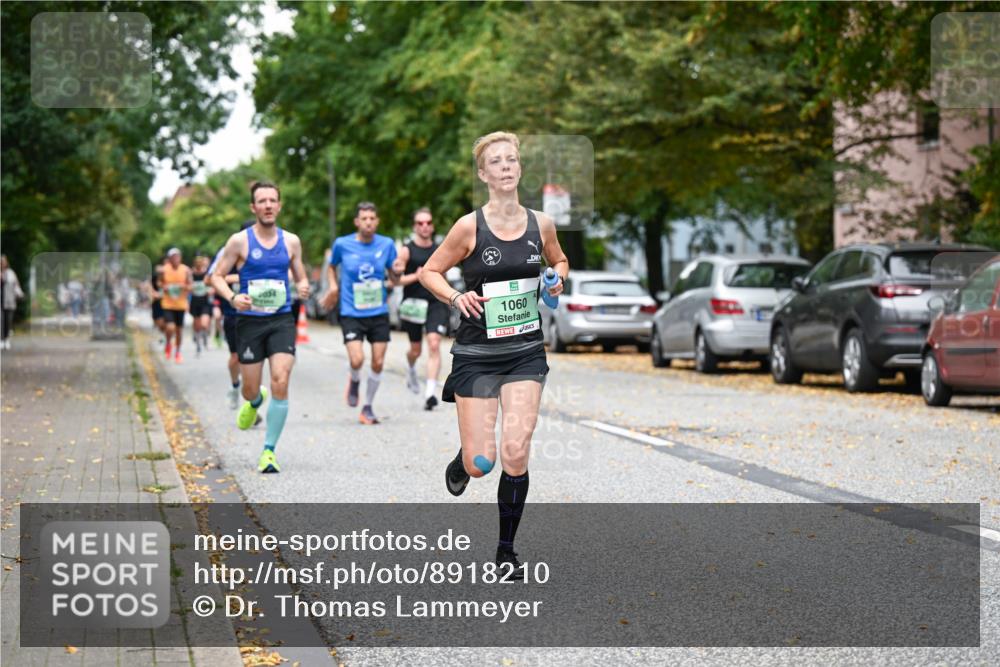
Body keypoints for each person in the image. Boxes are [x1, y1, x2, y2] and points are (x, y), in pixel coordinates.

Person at [419, 132, 568, 578]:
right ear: (484, 174)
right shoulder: (469, 227)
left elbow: (558, 261)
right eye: (496, 162)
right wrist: (454, 297)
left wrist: (555, 279)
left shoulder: (541, 224)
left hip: (524, 352)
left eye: (512, 160)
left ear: (519, 169)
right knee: (481, 463)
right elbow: (430, 271)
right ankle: (463, 457)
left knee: (516, 451)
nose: (506, 167)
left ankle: (506, 552)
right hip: (477, 353)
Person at [210, 181, 310, 473]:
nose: (267, 205)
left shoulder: (291, 241)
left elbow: (301, 276)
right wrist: (232, 296)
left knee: (280, 378)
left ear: (279, 205)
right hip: (249, 323)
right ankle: (255, 400)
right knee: (250, 388)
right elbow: (216, 276)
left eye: (272, 200)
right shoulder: (239, 242)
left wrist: (303, 287)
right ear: (253, 207)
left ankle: (268, 451)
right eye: (261, 201)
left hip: (281, 320)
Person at [320, 202, 400, 425]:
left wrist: (397, 272)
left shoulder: (387, 244)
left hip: (378, 312)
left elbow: (395, 279)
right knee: (357, 359)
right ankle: (354, 379)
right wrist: (333, 287)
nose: (368, 222)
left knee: (377, 362)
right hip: (351, 311)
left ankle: (367, 407)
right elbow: (331, 266)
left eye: (372, 218)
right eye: (364, 218)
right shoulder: (342, 244)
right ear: (357, 222)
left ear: (377, 221)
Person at [392, 207, 450, 410]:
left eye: (428, 222)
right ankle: (410, 367)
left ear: (432, 226)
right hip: (413, 304)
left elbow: (444, 276)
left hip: (435, 302)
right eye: (420, 223)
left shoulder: (440, 249)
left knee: (434, 343)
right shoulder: (406, 250)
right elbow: (395, 282)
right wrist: (417, 276)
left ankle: (430, 394)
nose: (424, 226)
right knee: (415, 350)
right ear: (414, 226)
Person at [160, 248, 192, 363]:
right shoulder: (164, 270)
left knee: (179, 330)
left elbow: (190, 286)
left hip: (181, 304)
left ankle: (178, 351)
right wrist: (164, 287)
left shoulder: (186, 270)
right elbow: (159, 283)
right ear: (169, 259)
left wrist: (184, 287)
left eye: (177, 256)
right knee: (170, 327)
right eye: (173, 257)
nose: (176, 259)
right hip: (168, 304)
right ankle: (168, 343)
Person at [189, 254, 213, 356]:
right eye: (197, 263)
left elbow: (213, 285)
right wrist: (190, 288)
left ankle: (205, 337)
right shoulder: (191, 274)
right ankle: (198, 345)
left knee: (204, 323)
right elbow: (187, 286)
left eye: (201, 262)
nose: (199, 264)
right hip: (195, 302)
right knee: (197, 325)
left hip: (205, 302)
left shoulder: (207, 274)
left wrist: (211, 290)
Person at [1, 255, 25, 350]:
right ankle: (1, 340)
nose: (2, 264)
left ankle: (6, 339)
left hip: (9, 301)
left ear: (6, 263)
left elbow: (16, 285)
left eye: (3, 262)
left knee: (8, 321)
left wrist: (20, 294)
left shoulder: (11, 273)